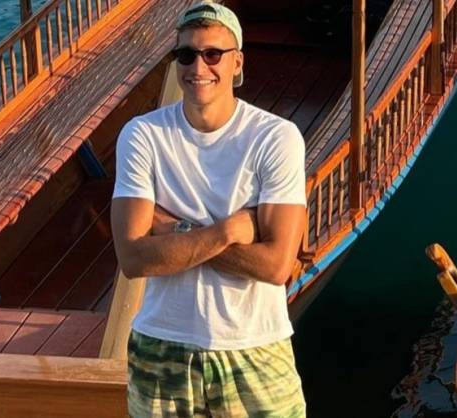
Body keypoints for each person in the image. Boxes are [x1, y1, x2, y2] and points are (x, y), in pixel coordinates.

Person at [111, 1, 307, 417]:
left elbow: (276, 266)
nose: (198, 66)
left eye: (213, 54)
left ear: (238, 63)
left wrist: (171, 230)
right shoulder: (142, 135)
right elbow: (132, 258)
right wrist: (228, 231)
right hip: (162, 346)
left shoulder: (276, 138)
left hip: (255, 347)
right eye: (186, 54)